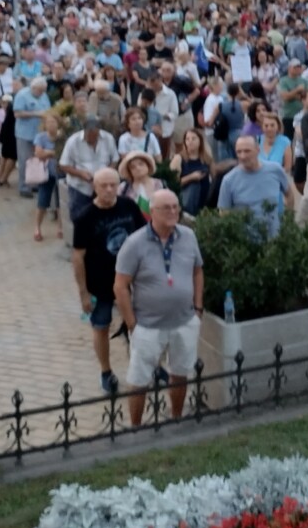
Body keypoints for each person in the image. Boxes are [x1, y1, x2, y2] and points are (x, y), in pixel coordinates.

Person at [114, 189, 203, 425]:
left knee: (180, 373)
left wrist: (198, 308)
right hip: (148, 324)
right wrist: (132, 323)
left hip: (184, 320)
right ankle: (135, 428)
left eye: (176, 207)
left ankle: (175, 419)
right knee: (139, 379)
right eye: (166, 208)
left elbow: (197, 270)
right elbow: (120, 286)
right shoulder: (134, 243)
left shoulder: (188, 236)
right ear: (152, 212)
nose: (173, 212)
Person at [73, 168, 147, 394]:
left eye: (113, 185)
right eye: (103, 185)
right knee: (101, 326)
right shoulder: (85, 217)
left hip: (132, 281)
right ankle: (106, 372)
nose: (108, 189)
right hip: (100, 282)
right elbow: (77, 256)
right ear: (94, 187)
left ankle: (145, 367)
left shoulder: (128, 206)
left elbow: (145, 237)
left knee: (139, 326)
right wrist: (83, 292)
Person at [217, 135, 292, 238]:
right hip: (244, 243)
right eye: (239, 152)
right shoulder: (228, 180)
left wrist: (287, 220)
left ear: (258, 150)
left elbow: (289, 194)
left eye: (247, 151)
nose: (243, 156)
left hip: (274, 241)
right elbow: (224, 213)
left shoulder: (275, 170)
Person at [58, 117, 120, 226]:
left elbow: (115, 159)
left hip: (104, 187)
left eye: (95, 135)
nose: (92, 138)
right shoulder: (73, 141)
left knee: (104, 218)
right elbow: (63, 165)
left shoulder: (108, 138)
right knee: (80, 218)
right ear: (84, 130)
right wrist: (80, 173)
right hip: (81, 187)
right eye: (89, 135)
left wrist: (106, 175)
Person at [13, 77, 51, 198]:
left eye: (43, 90)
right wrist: (36, 114)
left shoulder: (44, 95)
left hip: (39, 133)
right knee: (25, 160)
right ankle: (24, 187)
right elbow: (17, 113)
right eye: (40, 90)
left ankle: (35, 183)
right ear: (33, 87)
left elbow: (48, 110)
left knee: (37, 160)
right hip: (25, 133)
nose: (41, 93)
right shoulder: (22, 95)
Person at [32, 112, 62, 242]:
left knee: (61, 202)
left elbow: (63, 153)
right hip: (46, 174)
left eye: (53, 122)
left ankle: (61, 227)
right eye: (48, 122)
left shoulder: (63, 137)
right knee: (42, 201)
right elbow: (39, 154)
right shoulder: (40, 137)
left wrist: (47, 152)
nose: (51, 125)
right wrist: (52, 153)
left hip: (61, 173)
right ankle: (37, 228)